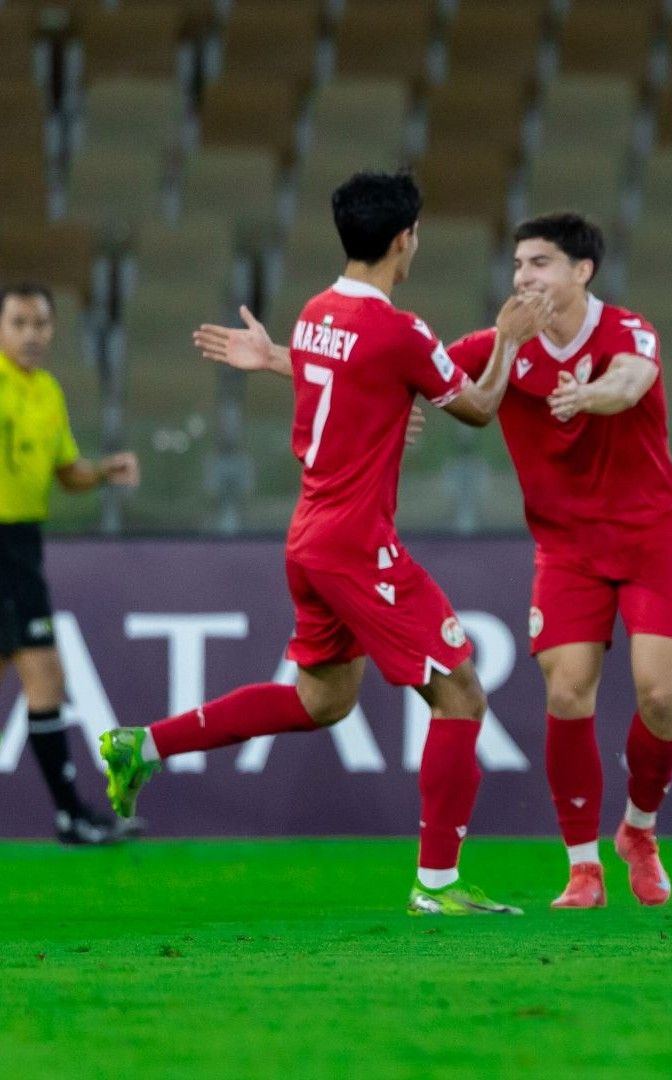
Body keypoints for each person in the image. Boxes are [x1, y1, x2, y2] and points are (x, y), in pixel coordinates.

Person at [206, 213, 672, 910]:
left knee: (659, 694)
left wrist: (589, 396)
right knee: (567, 692)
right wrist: (281, 357)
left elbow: (631, 379)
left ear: (582, 272)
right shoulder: (501, 346)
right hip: (566, 547)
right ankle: (583, 867)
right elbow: (384, 364)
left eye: (541, 263)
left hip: (652, 537)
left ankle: (639, 831)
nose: (525, 276)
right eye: (520, 264)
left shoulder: (626, 331)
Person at [99, 171, 549, 915]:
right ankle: (437, 886)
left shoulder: (316, 313)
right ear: (405, 239)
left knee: (322, 699)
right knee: (461, 694)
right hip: (355, 542)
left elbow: (354, 377)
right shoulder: (398, 331)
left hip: (308, 536)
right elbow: (479, 408)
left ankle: (141, 746)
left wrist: (277, 359)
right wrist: (508, 339)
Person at [0, 282, 141, 844]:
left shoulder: (47, 392)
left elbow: (65, 472)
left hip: (22, 544)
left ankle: (70, 815)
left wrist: (103, 471)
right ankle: (70, 814)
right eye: (19, 323)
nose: (32, 335)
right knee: (43, 675)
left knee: (42, 677)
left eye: (41, 324)